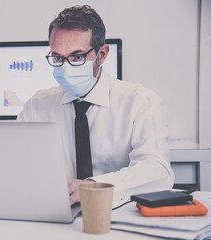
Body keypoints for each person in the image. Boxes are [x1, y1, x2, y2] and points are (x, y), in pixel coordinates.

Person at [17, 5, 174, 204]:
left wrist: (94, 187)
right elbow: (18, 166)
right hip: (56, 210)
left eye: (77, 56)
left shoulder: (140, 102)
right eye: (57, 57)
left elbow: (157, 170)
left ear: (102, 55)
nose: (65, 67)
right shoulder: (36, 106)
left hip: (118, 211)